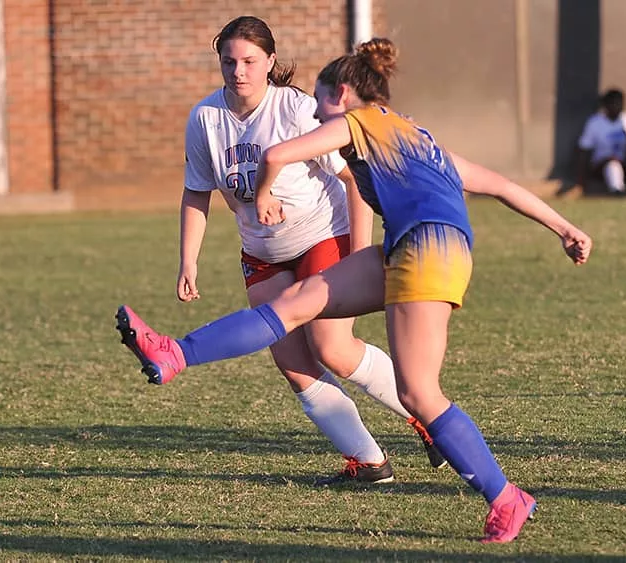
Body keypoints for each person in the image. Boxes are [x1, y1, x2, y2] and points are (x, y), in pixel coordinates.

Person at [116, 38, 592, 543]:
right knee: (293, 306)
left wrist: (263, 193)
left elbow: (276, 154)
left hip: (426, 251)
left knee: (418, 392)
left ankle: (506, 497)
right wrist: (564, 227)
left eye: (320, 101)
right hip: (407, 245)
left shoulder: (355, 123)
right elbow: (497, 183)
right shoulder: (411, 131)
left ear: (342, 93)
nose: (315, 113)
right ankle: (174, 353)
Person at [172, 15, 445, 483]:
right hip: (261, 251)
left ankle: (427, 416)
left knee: (332, 347)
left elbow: (354, 180)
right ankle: (369, 461)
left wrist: (359, 252)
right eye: (229, 61)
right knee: (293, 363)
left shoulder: (295, 110)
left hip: (323, 235)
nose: (238, 71)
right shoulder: (205, 118)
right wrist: (188, 261)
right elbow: (197, 192)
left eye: (250, 61)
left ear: (270, 61)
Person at [575, 88, 626, 196]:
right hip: (602, 165)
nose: (617, 106)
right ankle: (617, 192)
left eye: (619, 103)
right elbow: (584, 149)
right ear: (605, 105)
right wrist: (582, 178)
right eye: (613, 103)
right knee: (613, 165)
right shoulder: (595, 122)